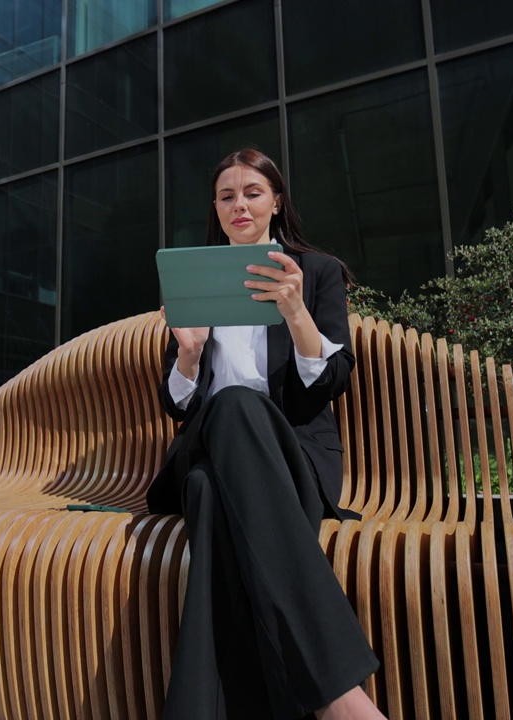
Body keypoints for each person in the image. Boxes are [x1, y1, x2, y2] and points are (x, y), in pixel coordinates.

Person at [147, 148, 386, 720]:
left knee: (208, 491)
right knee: (229, 406)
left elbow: (329, 383)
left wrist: (296, 312)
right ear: (216, 208)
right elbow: (179, 406)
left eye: (252, 192)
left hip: (291, 459)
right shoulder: (196, 278)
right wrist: (189, 351)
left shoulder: (316, 273)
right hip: (211, 438)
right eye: (227, 195)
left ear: (276, 200)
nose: (240, 205)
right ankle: (339, 697)